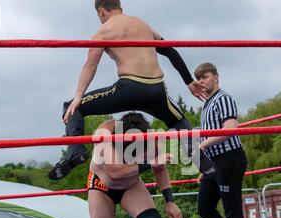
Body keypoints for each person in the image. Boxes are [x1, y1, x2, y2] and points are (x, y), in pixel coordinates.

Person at [48, 0, 214, 180]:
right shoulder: (143, 26)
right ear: (120, 7)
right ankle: (197, 157)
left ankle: (75, 151)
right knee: (179, 121)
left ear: (102, 12)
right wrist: (189, 81)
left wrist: (78, 96)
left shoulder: (103, 31)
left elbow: (90, 65)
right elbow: (170, 51)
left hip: (130, 88)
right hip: (158, 90)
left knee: (73, 107)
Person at [195, 63, 249, 218]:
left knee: (231, 207)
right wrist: (205, 165)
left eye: (204, 77)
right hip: (214, 162)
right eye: (198, 79)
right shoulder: (207, 103)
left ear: (216, 77)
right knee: (204, 208)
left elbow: (230, 129)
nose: (201, 82)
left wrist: (203, 145)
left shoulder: (223, 98)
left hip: (230, 158)